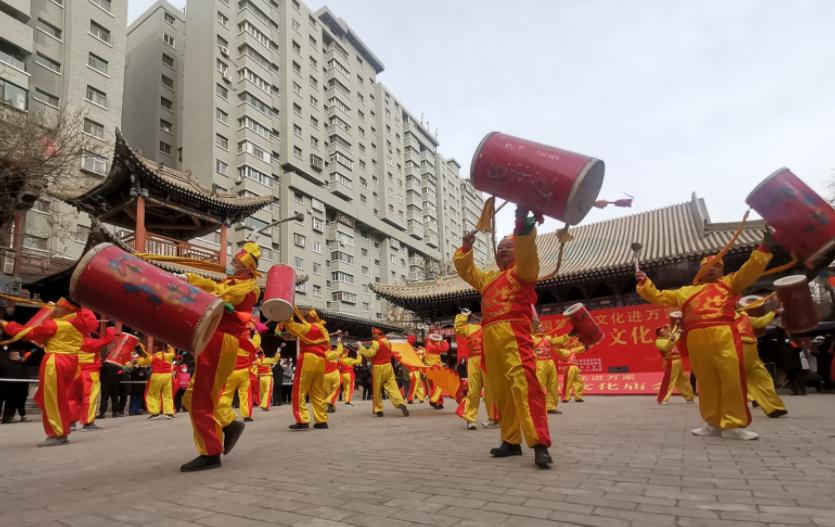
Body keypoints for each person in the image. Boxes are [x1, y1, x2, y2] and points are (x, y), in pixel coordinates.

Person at [636, 234, 773, 440]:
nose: (712, 268)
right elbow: (659, 296)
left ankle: (733, 425)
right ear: (700, 269)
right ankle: (712, 423)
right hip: (696, 339)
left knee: (731, 380)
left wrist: (763, 248)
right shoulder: (685, 292)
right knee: (706, 382)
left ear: (722, 269)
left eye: (717, 265)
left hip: (723, 335)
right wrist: (645, 282)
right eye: (707, 265)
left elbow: (750, 270)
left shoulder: (730, 283)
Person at [454, 207, 553, 468]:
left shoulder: (524, 272)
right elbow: (467, 272)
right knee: (502, 391)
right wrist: (465, 248)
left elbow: (529, 252)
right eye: (499, 247)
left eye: (508, 246)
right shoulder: (488, 278)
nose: (502, 250)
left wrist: (522, 227)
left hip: (514, 333)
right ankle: (510, 441)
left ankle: (539, 443)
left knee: (524, 384)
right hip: (490, 337)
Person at [179, 241, 261, 471]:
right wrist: (189, 278)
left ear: (247, 269)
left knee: (201, 399)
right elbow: (215, 287)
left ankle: (210, 452)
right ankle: (228, 424)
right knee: (193, 397)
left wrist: (197, 286)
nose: (231, 265)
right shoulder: (232, 283)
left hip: (220, 340)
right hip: (213, 338)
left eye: (236, 263)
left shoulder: (247, 288)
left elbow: (219, 294)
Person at [1, 298, 98, 446]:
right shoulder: (80, 326)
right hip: (71, 362)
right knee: (61, 397)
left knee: (52, 399)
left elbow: (26, 333)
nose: (54, 309)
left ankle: (57, 433)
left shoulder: (54, 324)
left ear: (68, 310)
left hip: (55, 362)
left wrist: (5, 323)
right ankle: (63, 429)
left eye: (59, 307)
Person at [282, 308, 330, 431]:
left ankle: (302, 420)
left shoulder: (308, 327)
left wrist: (288, 316)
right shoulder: (324, 330)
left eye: (308, 314)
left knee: (299, 390)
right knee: (318, 392)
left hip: (308, 359)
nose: (306, 316)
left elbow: (291, 327)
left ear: (314, 316)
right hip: (321, 361)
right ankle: (321, 420)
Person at [735, 309, 787, 418]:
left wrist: (774, 313)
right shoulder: (724, 317)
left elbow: (760, 322)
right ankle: (771, 406)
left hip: (750, 350)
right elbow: (761, 321)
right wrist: (774, 313)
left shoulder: (744, 316)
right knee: (755, 378)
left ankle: (773, 407)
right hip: (738, 348)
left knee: (760, 378)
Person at [455, 310, 497, 429]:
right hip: (474, 360)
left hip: (488, 360)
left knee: (490, 391)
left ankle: (493, 418)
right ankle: (470, 419)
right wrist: (463, 316)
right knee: (473, 390)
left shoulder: (490, 328)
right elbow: (458, 329)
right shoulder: (470, 328)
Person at [358, 328, 410, 417]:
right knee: (392, 386)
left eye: (373, 334)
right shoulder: (387, 341)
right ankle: (401, 403)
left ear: (377, 334)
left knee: (377, 389)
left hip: (378, 367)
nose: (372, 335)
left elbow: (369, 354)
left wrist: (360, 347)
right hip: (388, 366)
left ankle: (379, 410)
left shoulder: (376, 343)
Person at [218, 328, 259, 422]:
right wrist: (257, 334)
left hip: (231, 371)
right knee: (245, 394)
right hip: (244, 371)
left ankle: (223, 413)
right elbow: (256, 344)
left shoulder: (230, 341)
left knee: (226, 394)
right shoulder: (249, 343)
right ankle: (246, 415)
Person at [654, 323, 696, 405]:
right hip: (671, 361)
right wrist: (671, 339)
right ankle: (662, 398)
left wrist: (679, 332)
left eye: (665, 330)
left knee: (683, 379)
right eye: (662, 331)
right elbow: (667, 347)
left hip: (678, 361)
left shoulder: (669, 338)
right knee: (669, 380)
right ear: (659, 334)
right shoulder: (658, 341)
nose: (664, 332)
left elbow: (676, 337)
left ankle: (689, 397)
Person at [135, 342, 177, 419]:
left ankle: (155, 413)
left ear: (157, 348)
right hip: (168, 376)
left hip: (157, 375)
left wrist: (138, 356)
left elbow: (142, 363)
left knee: (152, 394)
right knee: (167, 394)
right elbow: (172, 350)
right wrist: (169, 345)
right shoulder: (170, 355)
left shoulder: (153, 357)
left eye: (154, 346)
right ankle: (169, 412)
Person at [532, 320, 562, 414]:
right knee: (539, 385)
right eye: (539, 327)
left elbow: (556, 341)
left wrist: (568, 336)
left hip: (550, 362)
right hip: (539, 363)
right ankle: (537, 407)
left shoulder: (548, 338)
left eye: (542, 327)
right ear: (535, 329)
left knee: (553, 385)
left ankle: (551, 407)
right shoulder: (532, 338)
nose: (542, 328)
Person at [424, 332, 449, 409]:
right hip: (437, 368)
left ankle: (439, 402)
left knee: (433, 386)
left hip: (428, 369)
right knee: (439, 386)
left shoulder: (428, 345)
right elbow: (446, 348)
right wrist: (444, 341)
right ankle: (434, 400)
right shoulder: (437, 347)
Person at [558, 337, 587, 403]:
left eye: (568, 342)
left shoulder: (572, 350)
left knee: (579, 381)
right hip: (568, 367)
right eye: (566, 343)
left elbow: (582, 348)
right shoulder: (562, 351)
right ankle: (565, 397)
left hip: (575, 367)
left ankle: (578, 397)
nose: (568, 343)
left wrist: (585, 342)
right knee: (568, 383)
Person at [323, 332, 344, 413]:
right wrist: (339, 342)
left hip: (325, 375)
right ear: (330, 347)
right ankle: (329, 402)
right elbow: (340, 351)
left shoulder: (321, 354)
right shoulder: (332, 353)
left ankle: (328, 407)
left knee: (326, 392)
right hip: (334, 373)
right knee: (335, 390)